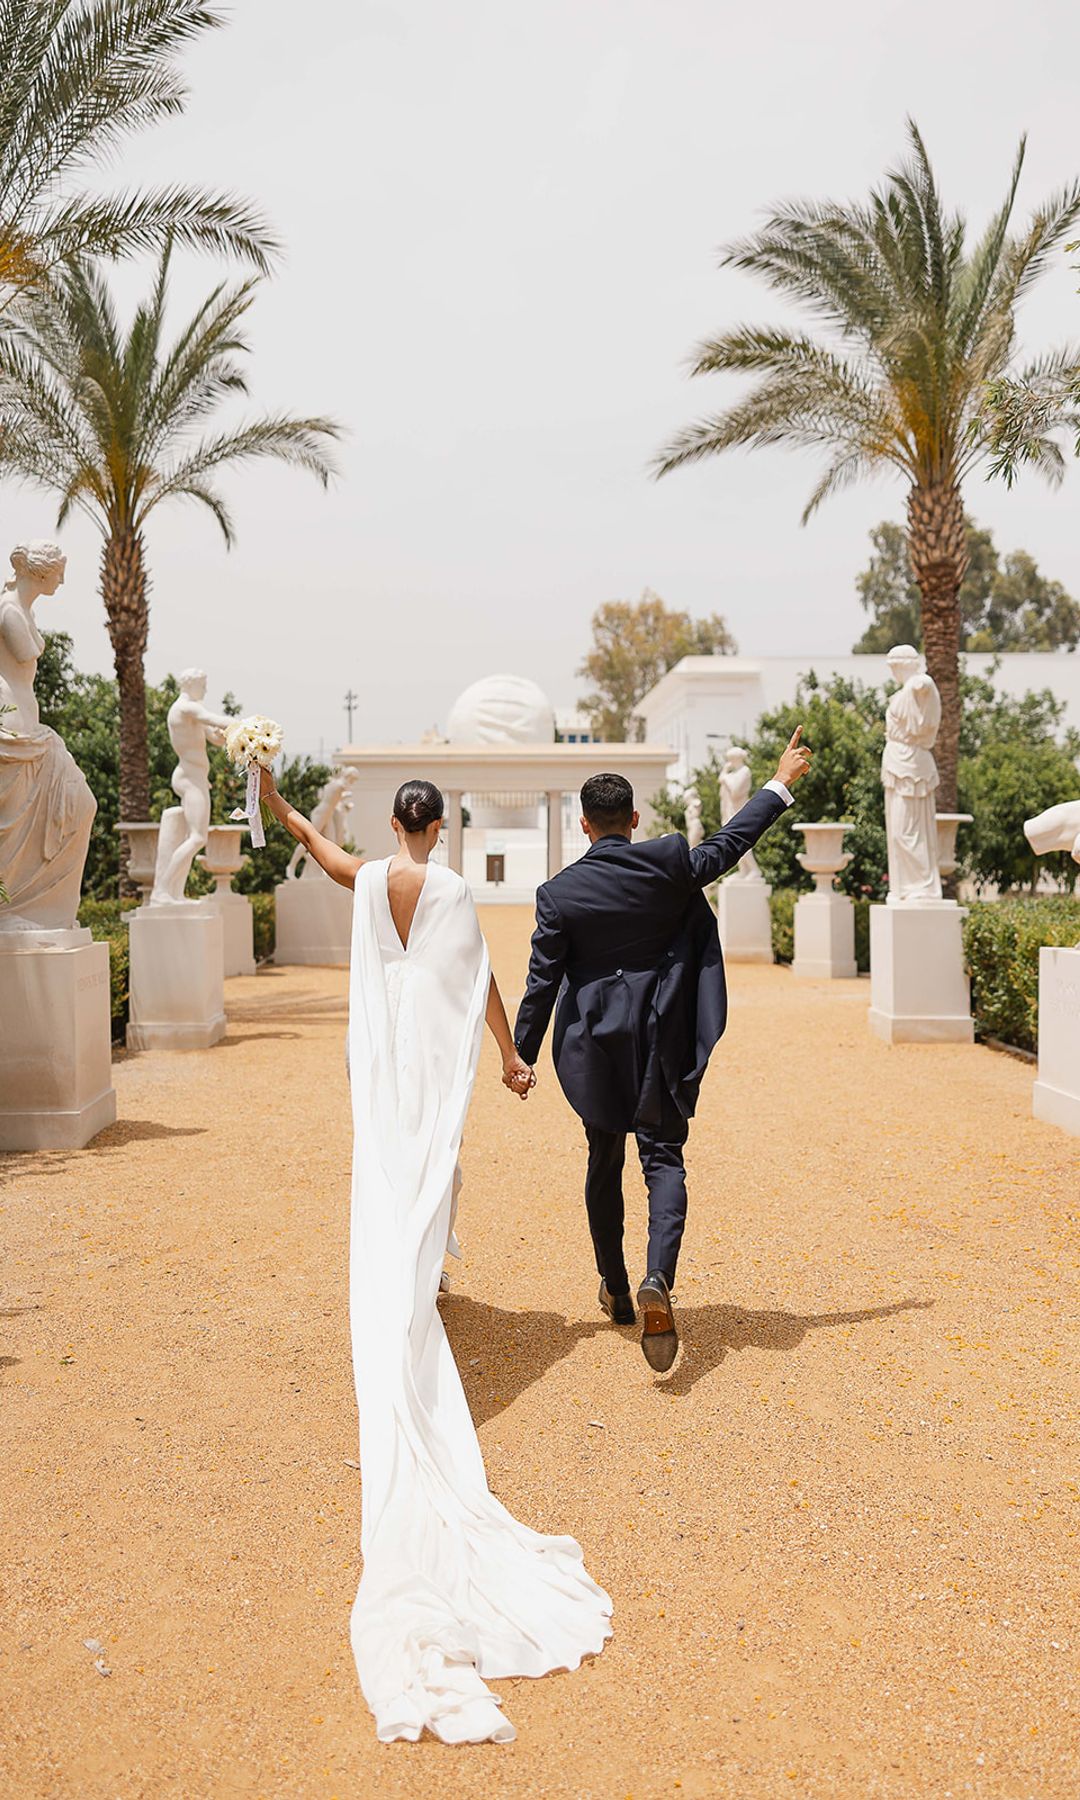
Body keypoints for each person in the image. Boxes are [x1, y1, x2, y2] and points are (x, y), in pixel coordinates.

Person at [258, 767, 612, 1744]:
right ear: (442, 825)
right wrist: (507, 1054)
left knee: (390, 1162)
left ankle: (413, 1276)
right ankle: (427, 1278)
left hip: (384, 1053)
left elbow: (323, 854)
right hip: (431, 1046)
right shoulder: (450, 890)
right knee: (433, 1162)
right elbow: (482, 984)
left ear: (392, 824)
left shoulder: (371, 880)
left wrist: (278, 799)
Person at [514, 729, 812, 1373]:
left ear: (585, 825)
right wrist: (779, 782)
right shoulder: (669, 860)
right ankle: (658, 1277)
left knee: (603, 1156)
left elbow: (542, 981)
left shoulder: (558, 894)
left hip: (593, 1043)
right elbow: (730, 844)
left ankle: (617, 1289)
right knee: (663, 1156)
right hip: (658, 1033)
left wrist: (521, 1053)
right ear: (635, 821)